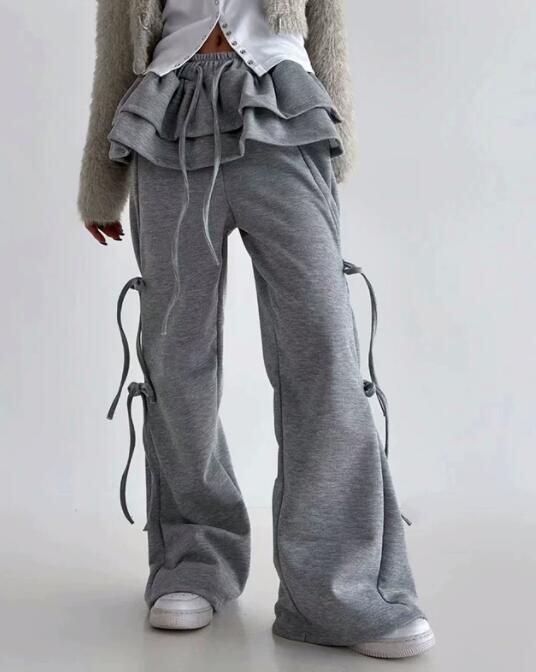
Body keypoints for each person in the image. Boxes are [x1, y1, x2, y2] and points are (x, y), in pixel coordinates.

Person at [77, 0, 436, 660]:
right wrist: (101, 185)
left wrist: (337, 138)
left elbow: (327, 26)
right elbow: (116, 51)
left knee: (324, 350)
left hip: (282, 104)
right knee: (176, 357)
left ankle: (339, 589)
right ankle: (193, 562)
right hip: (168, 114)